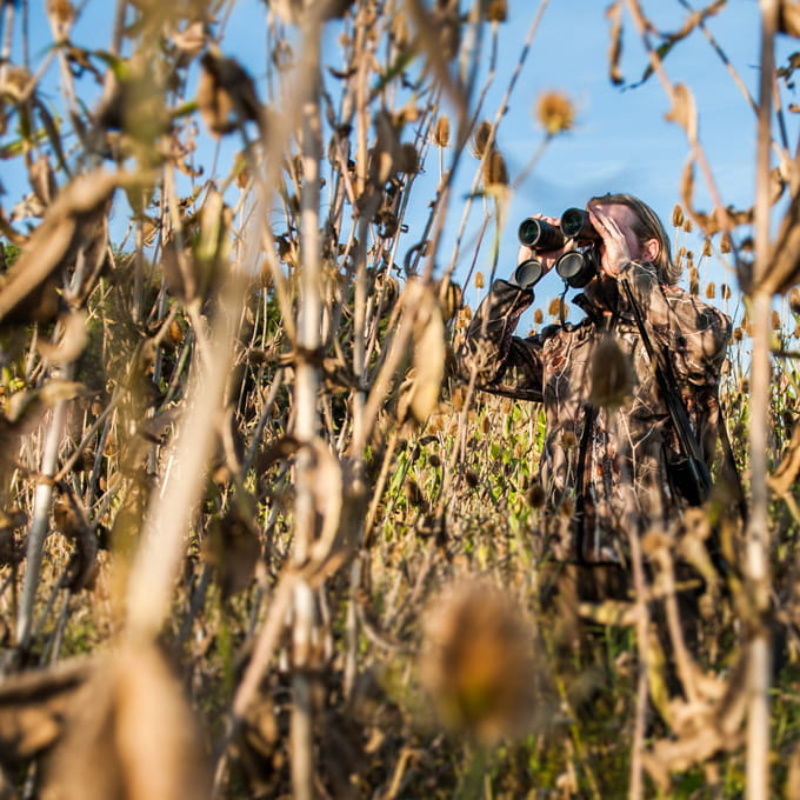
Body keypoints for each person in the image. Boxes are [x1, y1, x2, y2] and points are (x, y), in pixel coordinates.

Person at [461, 193, 732, 590]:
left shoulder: (678, 330)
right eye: (586, 235)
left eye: (603, 234)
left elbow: (703, 341)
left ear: (649, 249)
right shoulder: (564, 345)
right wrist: (522, 279)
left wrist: (630, 271)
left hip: (658, 563)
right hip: (567, 565)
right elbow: (475, 368)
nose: (590, 245)